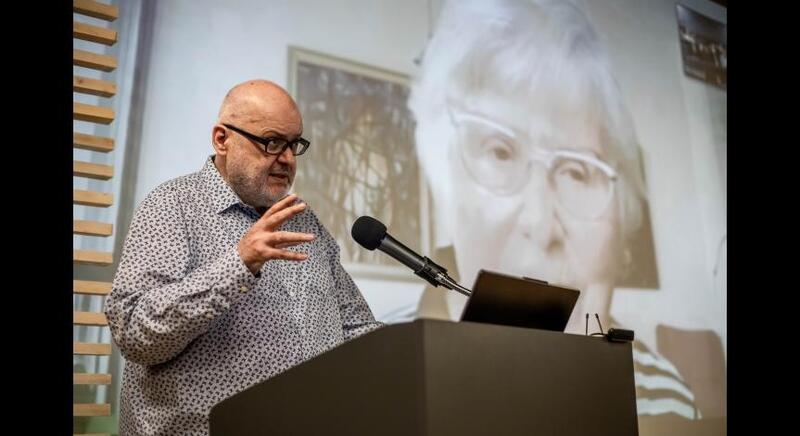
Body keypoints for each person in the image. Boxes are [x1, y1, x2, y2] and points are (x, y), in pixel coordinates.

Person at [408, 0, 699, 420]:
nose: (541, 224)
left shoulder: (664, 396)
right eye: (501, 152)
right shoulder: (380, 359)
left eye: (578, 173)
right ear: (443, 174)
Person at [104, 80, 382, 435]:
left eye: (294, 144)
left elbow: (354, 329)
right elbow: (134, 332)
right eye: (271, 142)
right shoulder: (173, 206)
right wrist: (239, 264)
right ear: (222, 139)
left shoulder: (304, 222)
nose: (286, 158)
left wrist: (432, 349)